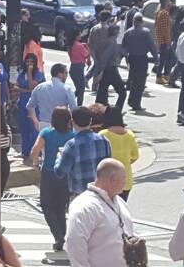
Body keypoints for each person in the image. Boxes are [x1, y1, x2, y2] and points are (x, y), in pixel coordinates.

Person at [65, 158, 135, 267]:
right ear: (113, 180)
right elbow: (74, 242)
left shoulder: (119, 202)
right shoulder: (85, 205)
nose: (126, 182)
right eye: (124, 178)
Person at [31, 106, 75, 251]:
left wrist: (36, 164)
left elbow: (35, 150)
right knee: (60, 207)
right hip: (66, 174)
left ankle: (58, 235)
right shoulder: (73, 135)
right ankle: (62, 234)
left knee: (46, 205)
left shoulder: (47, 133)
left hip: (49, 172)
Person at [54, 106, 111, 198]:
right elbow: (108, 165)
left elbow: (60, 172)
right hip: (100, 193)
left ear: (72, 122)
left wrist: (59, 156)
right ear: (90, 120)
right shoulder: (104, 140)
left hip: (80, 195)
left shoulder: (72, 145)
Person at [98, 108, 137, 200]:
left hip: (108, 180)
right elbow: (135, 156)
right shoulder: (130, 135)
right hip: (125, 178)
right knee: (121, 209)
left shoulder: (103, 134)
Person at [27, 63, 78, 133]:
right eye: (65, 73)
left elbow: (30, 106)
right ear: (60, 74)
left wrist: (35, 121)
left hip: (43, 125)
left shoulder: (39, 87)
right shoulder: (67, 89)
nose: (66, 76)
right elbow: (74, 109)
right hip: (61, 125)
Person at [122, 13, 158, 112]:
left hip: (132, 58)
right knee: (140, 82)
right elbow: (152, 46)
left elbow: (123, 47)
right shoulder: (145, 32)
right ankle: (136, 103)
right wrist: (156, 58)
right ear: (142, 22)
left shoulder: (128, 32)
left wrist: (126, 57)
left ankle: (131, 100)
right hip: (142, 58)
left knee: (133, 80)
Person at [15, 53, 45, 159]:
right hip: (22, 103)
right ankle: (25, 151)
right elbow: (16, 86)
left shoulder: (38, 74)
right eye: (27, 62)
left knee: (33, 129)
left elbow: (33, 86)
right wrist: (26, 90)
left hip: (33, 105)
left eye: (31, 62)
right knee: (23, 128)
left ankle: (34, 151)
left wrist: (30, 73)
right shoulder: (22, 73)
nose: (29, 64)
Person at [93, 23, 127, 111]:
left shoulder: (104, 41)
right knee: (122, 92)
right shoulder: (112, 43)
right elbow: (105, 58)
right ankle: (116, 112)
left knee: (102, 93)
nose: (119, 32)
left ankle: (99, 111)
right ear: (115, 32)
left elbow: (97, 54)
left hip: (106, 70)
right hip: (110, 70)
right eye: (118, 31)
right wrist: (101, 72)